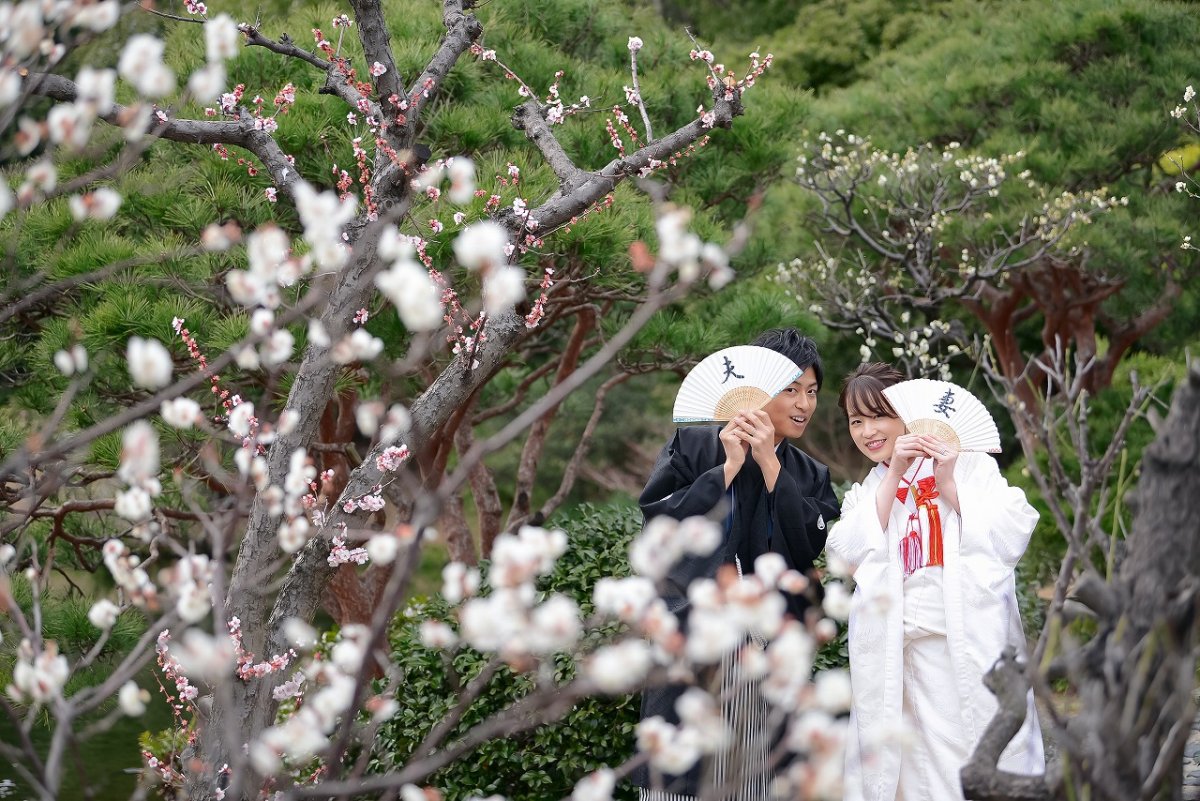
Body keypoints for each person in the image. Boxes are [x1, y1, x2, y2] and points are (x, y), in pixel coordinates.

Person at [632, 328, 841, 801]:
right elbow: (658, 521)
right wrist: (725, 469)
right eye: (790, 389)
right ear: (756, 385)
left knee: (762, 773)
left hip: (770, 643)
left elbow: (812, 541)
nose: (803, 404)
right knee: (683, 771)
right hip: (696, 633)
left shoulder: (811, 473)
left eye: (811, 392)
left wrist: (771, 466)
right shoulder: (694, 445)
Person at [828, 362, 1044, 801]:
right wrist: (893, 475)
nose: (867, 430)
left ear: (908, 412)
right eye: (856, 420)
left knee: (970, 750)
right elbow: (843, 556)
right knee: (901, 767)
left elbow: (1013, 530)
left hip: (961, 645)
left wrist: (947, 484)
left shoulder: (969, 466)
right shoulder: (869, 489)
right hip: (896, 655)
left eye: (879, 415)